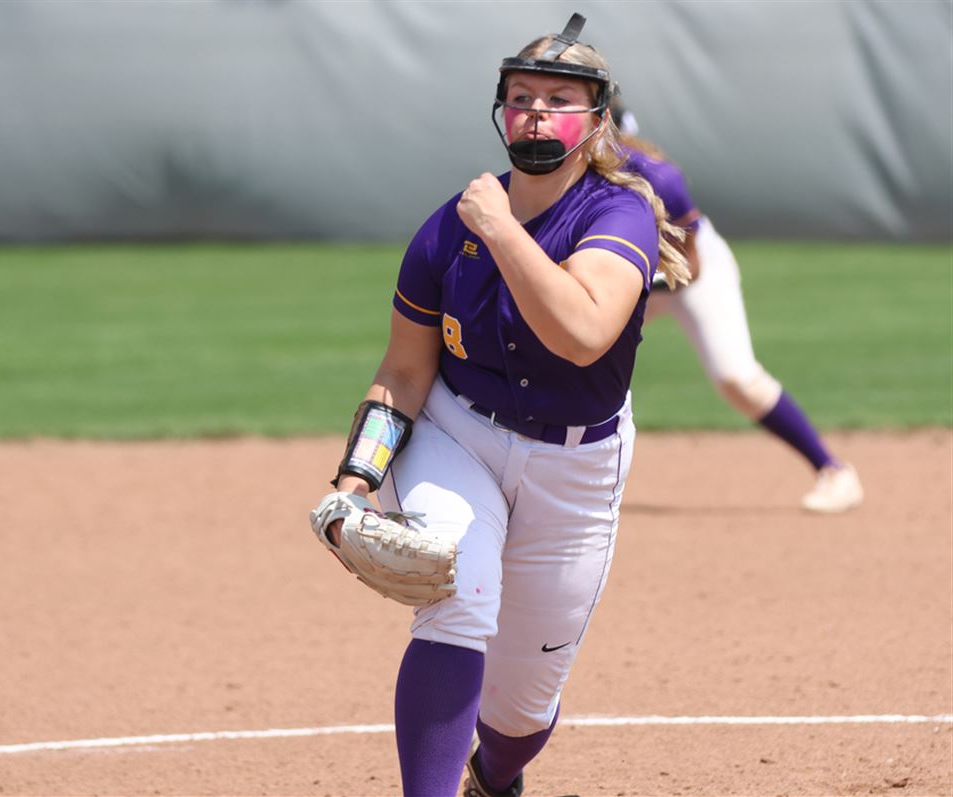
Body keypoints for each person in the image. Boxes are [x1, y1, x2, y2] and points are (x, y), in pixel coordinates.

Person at [309, 14, 691, 796]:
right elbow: (403, 375)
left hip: (577, 465)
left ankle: (492, 775)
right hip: (459, 435)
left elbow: (583, 333)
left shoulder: (617, 214)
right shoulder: (446, 228)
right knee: (458, 599)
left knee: (520, 712)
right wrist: (352, 483)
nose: (537, 112)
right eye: (521, 96)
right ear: (501, 111)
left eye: (559, 99)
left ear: (597, 119)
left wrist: (500, 225)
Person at [612, 101, 863, 513]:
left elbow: (689, 268)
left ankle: (834, 472)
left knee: (736, 378)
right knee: (571, 351)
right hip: (634, 279)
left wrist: (630, 289)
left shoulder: (656, 176)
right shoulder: (562, 178)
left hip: (688, 276)